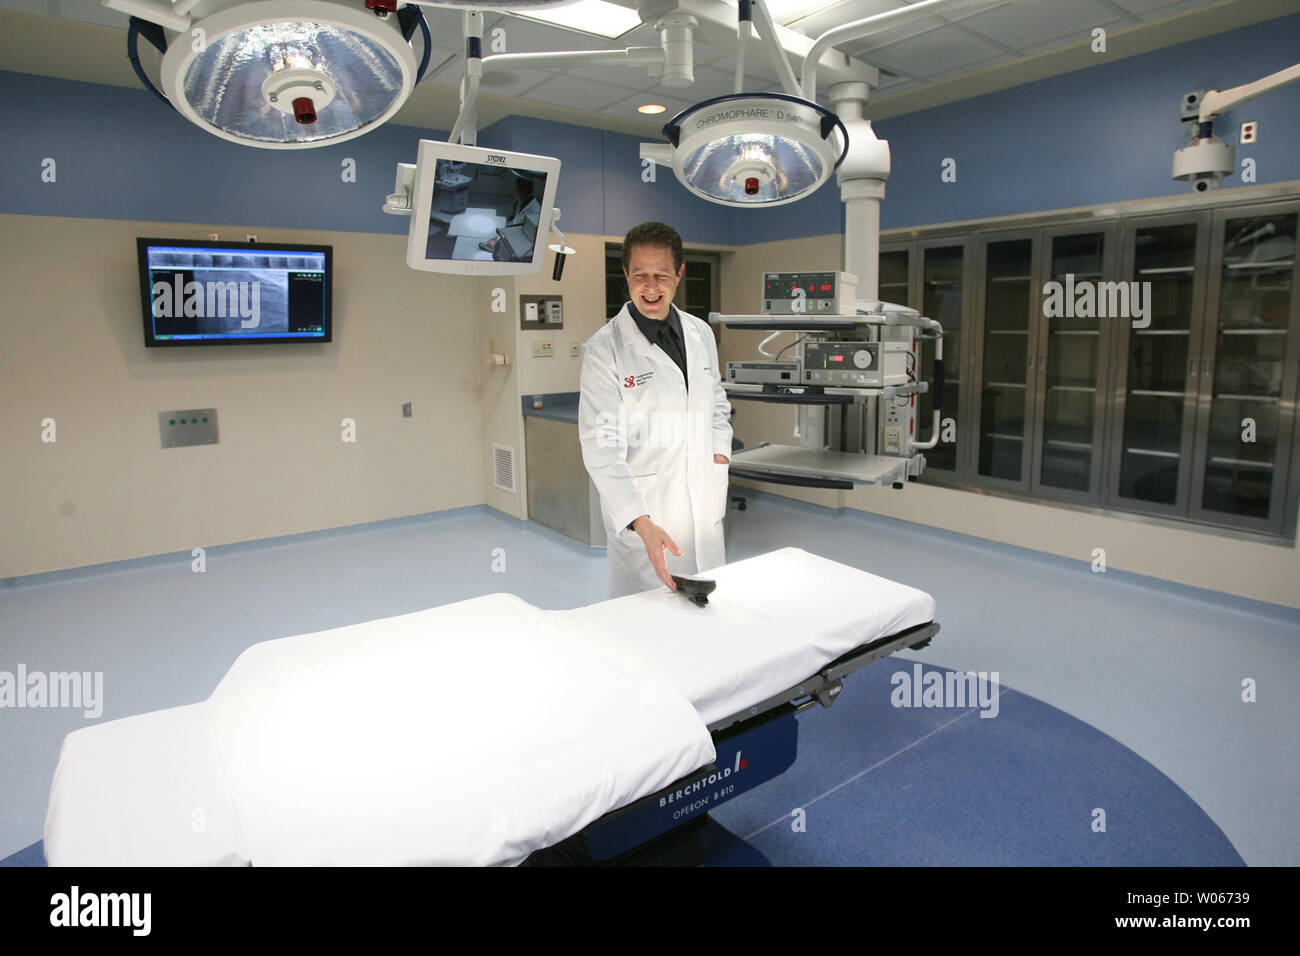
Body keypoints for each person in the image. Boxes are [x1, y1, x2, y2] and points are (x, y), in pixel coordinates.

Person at [578, 222, 733, 599]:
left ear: (679, 274)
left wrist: (719, 457)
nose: (650, 288)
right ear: (625, 275)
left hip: (703, 504)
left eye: (661, 276)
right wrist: (639, 520)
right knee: (646, 626)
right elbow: (601, 447)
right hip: (647, 511)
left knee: (710, 615)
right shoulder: (605, 349)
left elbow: (716, 402)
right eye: (640, 275)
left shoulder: (700, 333)